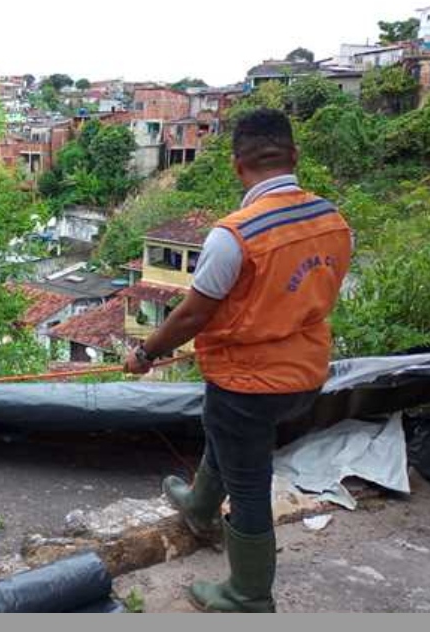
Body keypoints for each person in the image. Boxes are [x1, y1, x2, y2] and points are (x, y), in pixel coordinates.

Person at [124, 109, 351, 613]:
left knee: (248, 484)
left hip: (248, 382)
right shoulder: (332, 220)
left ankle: (249, 594)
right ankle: (200, 507)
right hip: (307, 374)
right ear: (293, 157)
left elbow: (192, 315)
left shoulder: (235, 235)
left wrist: (144, 352)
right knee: (225, 436)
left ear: (236, 166)